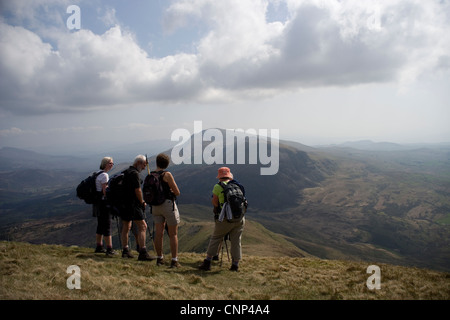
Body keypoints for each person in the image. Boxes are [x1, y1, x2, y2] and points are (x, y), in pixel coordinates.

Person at [199, 167, 246, 272]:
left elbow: (215, 202)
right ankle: (235, 265)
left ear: (219, 176)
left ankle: (207, 262)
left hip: (225, 218)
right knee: (236, 241)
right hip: (239, 218)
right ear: (229, 175)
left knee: (216, 238)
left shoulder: (217, 186)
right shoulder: (237, 185)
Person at [120, 155, 154, 261]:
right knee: (142, 226)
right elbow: (138, 190)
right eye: (144, 165)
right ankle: (142, 252)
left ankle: (125, 250)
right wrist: (142, 201)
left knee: (126, 226)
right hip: (134, 204)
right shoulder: (135, 174)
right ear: (138, 163)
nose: (144, 167)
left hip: (124, 203)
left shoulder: (126, 172)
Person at [151, 153, 181, 268]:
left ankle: (159, 258)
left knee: (159, 234)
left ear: (157, 162)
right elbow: (177, 192)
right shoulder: (167, 174)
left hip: (155, 207)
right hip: (167, 205)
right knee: (173, 234)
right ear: (167, 164)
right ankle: (174, 260)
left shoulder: (151, 175)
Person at [93, 157, 115, 256]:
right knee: (107, 225)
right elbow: (105, 192)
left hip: (97, 203)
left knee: (100, 224)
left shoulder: (97, 173)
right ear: (105, 164)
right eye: (110, 163)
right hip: (103, 203)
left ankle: (99, 246)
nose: (112, 165)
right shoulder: (105, 175)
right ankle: (109, 249)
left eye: (112, 163)